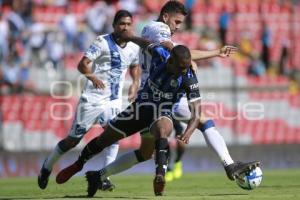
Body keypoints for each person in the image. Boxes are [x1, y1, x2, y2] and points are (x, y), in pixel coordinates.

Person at [87, 0, 259, 187]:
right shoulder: (158, 27)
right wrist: (198, 59)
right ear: (165, 16)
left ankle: (99, 176)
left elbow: (181, 53)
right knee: (201, 122)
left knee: (146, 152)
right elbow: (172, 48)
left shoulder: (154, 29)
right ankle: (229, 164)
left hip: (151, 96)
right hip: (159, 94)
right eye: (176, 22)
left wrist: (215, 52)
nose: (177, 27)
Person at [55, 38, 202, 197]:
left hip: (162, 111)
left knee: (162, 131)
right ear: (171, 60)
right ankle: (81, 166)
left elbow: (196, 112)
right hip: (139, 108)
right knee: (104, 140)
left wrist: (187, 133)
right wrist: (130, 37)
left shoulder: (189, 78)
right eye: (181, 67)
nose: (183, 70)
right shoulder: (160, 54)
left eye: (186, 67)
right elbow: (146, 43)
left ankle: (160, 175)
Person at [37, 10, 141, 191]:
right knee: (72, 141)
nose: (125, 27)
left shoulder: (133, 46)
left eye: (128, 24)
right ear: (114, 26)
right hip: (92, 99)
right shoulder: (102, 42)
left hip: (113, 101)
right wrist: (93, 77)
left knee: (113, 136)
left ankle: (104, 176)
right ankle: (46, 167)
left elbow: (134, 66)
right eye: (121, 24)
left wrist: (135, 83)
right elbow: (82, 64)